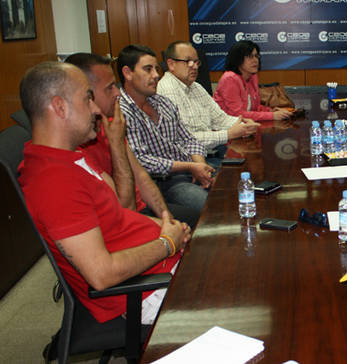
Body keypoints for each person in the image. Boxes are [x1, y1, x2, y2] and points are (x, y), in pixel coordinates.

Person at [18, 61, 190, 324]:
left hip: (158, 264)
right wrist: (167, 243)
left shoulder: (71, 156)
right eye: (88, 99)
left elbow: (120, 216)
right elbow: (102, 274)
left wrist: (168, 227)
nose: (97, 109)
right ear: (60, 107)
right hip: (145, 291)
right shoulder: (53, 182)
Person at [65, 52, 200, 227]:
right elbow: (123, 211)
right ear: (86, 95)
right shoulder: (78, 143)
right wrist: (166, 235)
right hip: (126, 220)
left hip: (144, 208)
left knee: (203, 220)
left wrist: (167, 220)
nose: (117, 93)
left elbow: (142, 178)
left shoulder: (111, 122)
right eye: (110, 87)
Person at [118, 44, 211, 217]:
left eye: (156, 69)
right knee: (211, 208)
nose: (156, 75)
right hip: (159, 183)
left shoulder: (163, 103)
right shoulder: (120, 112)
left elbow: (189, 140)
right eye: (148, 69)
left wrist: (200, 166)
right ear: (127, 73)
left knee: (231, 191)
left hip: (188, 172)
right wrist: (191, 166)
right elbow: (141, 161)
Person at [157, 41, 259, 167]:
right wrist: (228, 134)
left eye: (196, 62)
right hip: (188, 162)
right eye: (188, 61)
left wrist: (244, 125)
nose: (194, 66)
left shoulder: (196, 87)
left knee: (253, 160)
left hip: (211, 151)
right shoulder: (167, 90)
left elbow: (220, 118)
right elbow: (186, 139)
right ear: (171, 64)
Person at [213, 40, 292, 121]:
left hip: (245, 124)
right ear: (238, 59)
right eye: (250, 57)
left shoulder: (252, 76)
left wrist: (271, 111)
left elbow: (255, 108)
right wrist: (272, 115)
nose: (255, 60)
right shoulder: (229, 79)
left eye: (256, 56)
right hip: (225, 127)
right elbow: (237, 114)